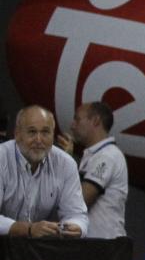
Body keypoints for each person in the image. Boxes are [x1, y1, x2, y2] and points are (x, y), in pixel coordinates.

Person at [0, 105, 88, 238]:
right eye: (32, 132)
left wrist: (75, 227)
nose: (39, 140)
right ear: (17, 134)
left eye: (45, 132)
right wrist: (28, 229)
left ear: (53, 135)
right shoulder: (2, 157)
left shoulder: (66, 164)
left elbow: (77, 214)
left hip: (41, 247)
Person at [71, 101, 127, 240]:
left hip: (105, 245)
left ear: (95, 120)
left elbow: (80, 201)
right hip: (94, 244)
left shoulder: (107, 156)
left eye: (77, 119)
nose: (72, 126)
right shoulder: (94, 155)